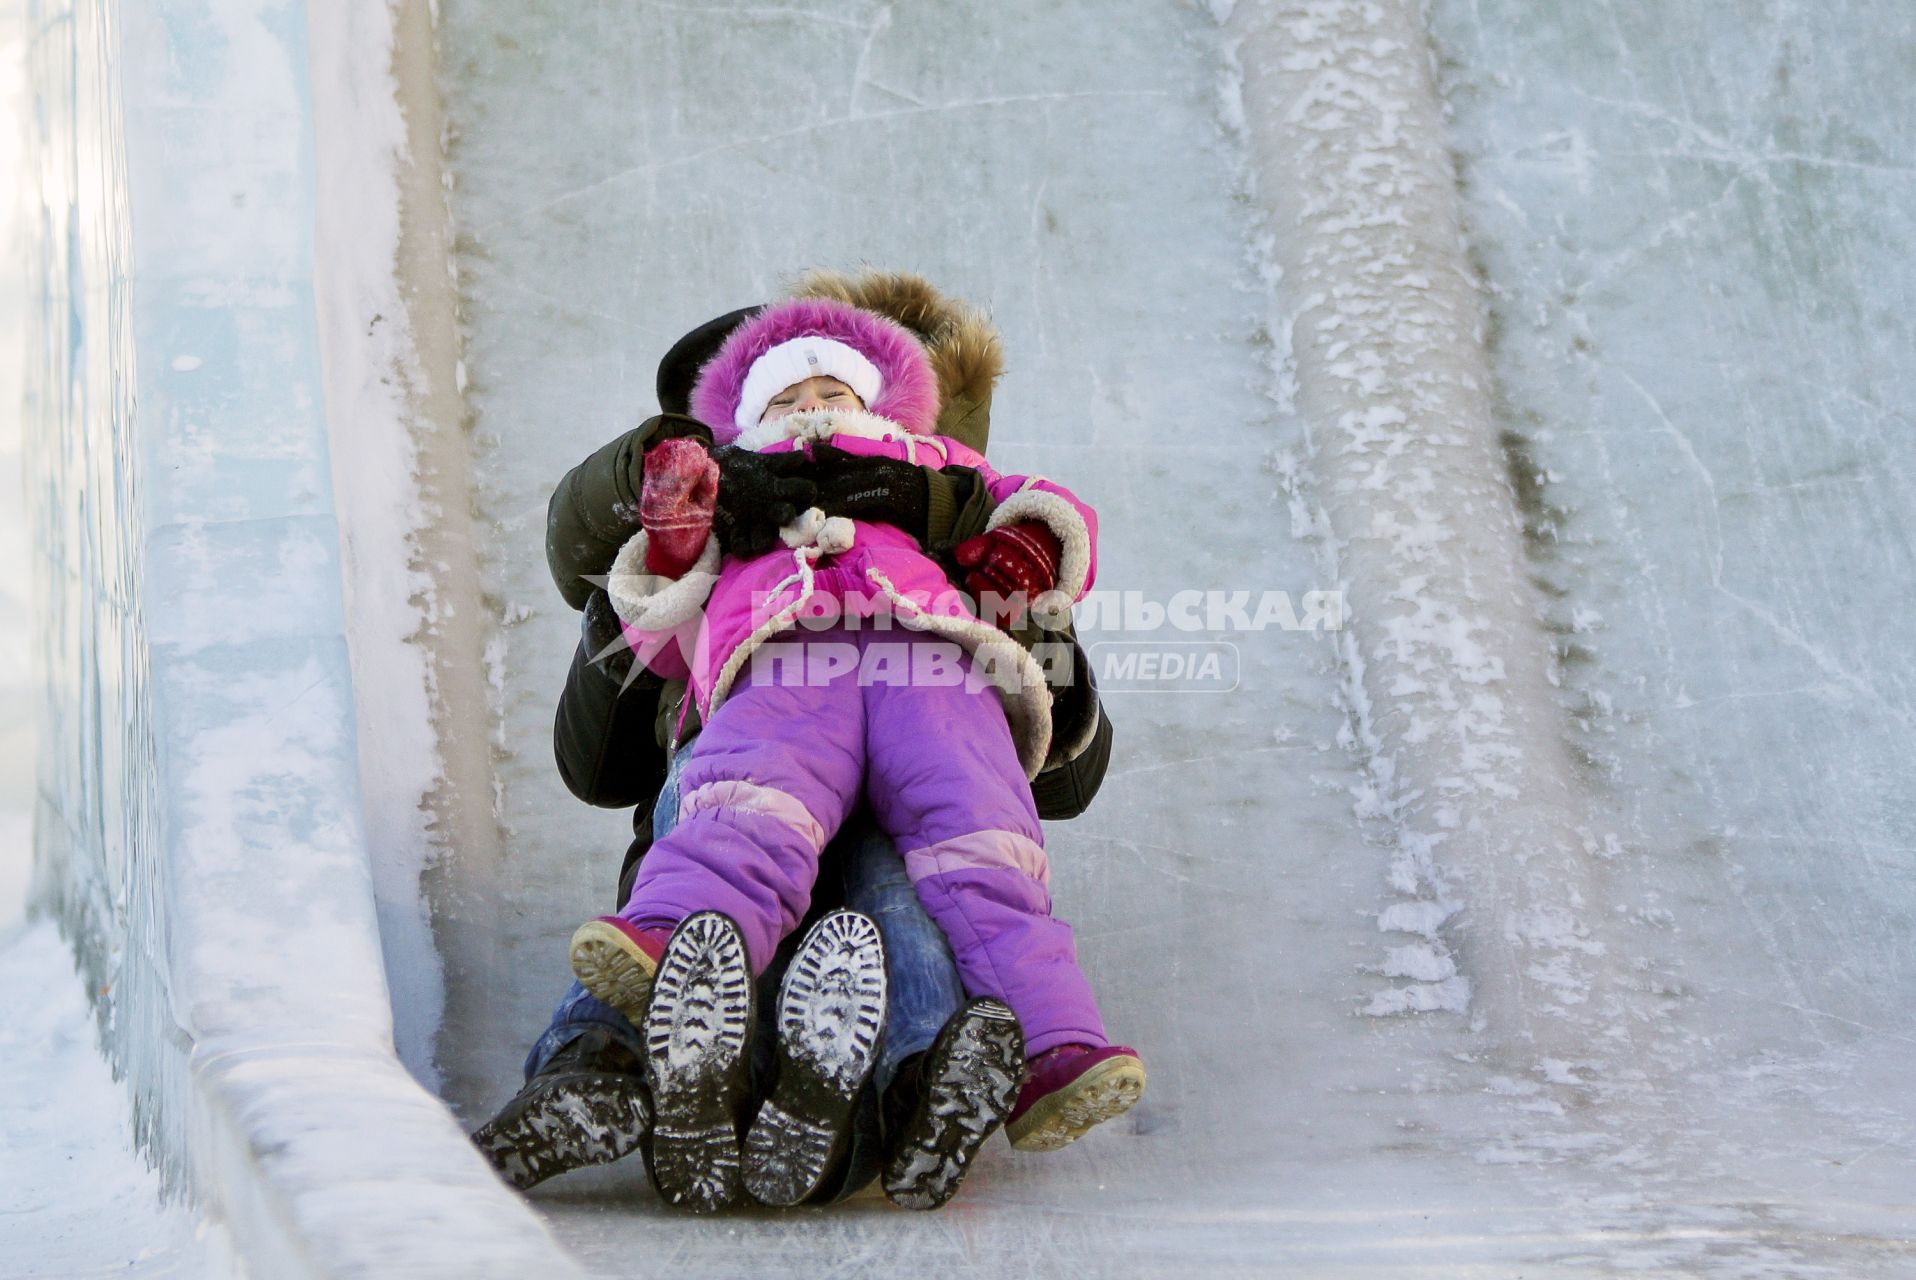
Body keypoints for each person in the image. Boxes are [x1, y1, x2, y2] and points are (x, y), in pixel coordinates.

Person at [473, 273, 1120, 1211]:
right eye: (786, 399)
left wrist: (1014, 611)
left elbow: (1062, 781)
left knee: (907, 895)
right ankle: (601, 1067)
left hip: (902, 806)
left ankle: (898, 1091)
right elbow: (594, 760)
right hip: (740, 780)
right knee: (705, 826)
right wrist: (671, 553)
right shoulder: (730, 530)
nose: (815, 418)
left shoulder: (964, 547)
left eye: (838, 396)